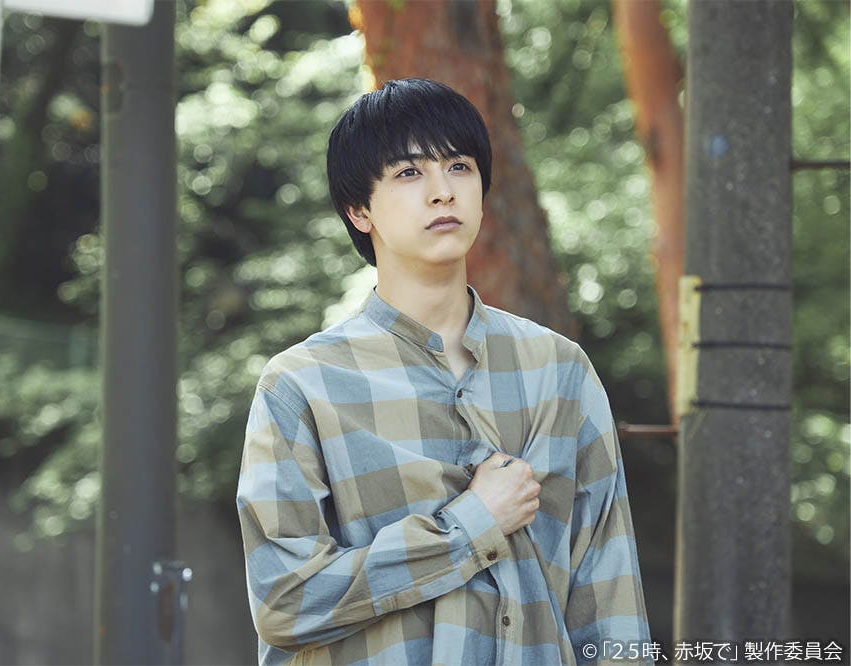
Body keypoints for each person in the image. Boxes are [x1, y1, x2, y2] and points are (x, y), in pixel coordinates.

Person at [236, 78, 651, 665]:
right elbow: (284, 601)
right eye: (409, 172)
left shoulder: (560, 371)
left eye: (459, 167)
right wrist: (472, 524)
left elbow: (610, 598)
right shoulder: (303, 385)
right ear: (359, 210)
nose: (442, 192)